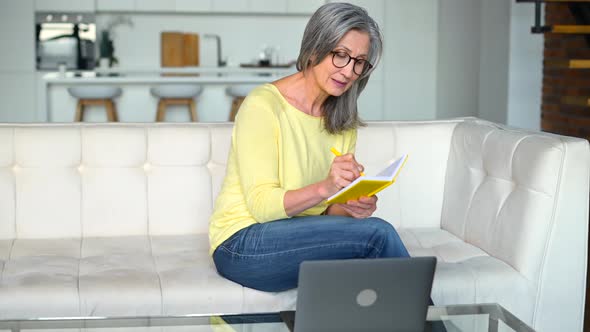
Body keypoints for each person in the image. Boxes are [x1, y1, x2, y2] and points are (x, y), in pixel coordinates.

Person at [209, 2, 410, 292]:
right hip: (241, 244)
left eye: (359, 62)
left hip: (294, 238)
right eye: (340, 55)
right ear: (315, 48)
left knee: (368, 239)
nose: (349, 70)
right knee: (377, 236)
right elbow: (263, 207)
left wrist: (351, 205)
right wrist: (327, 187)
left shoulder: (342, 120)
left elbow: (326, 214)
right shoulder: (263, 106)